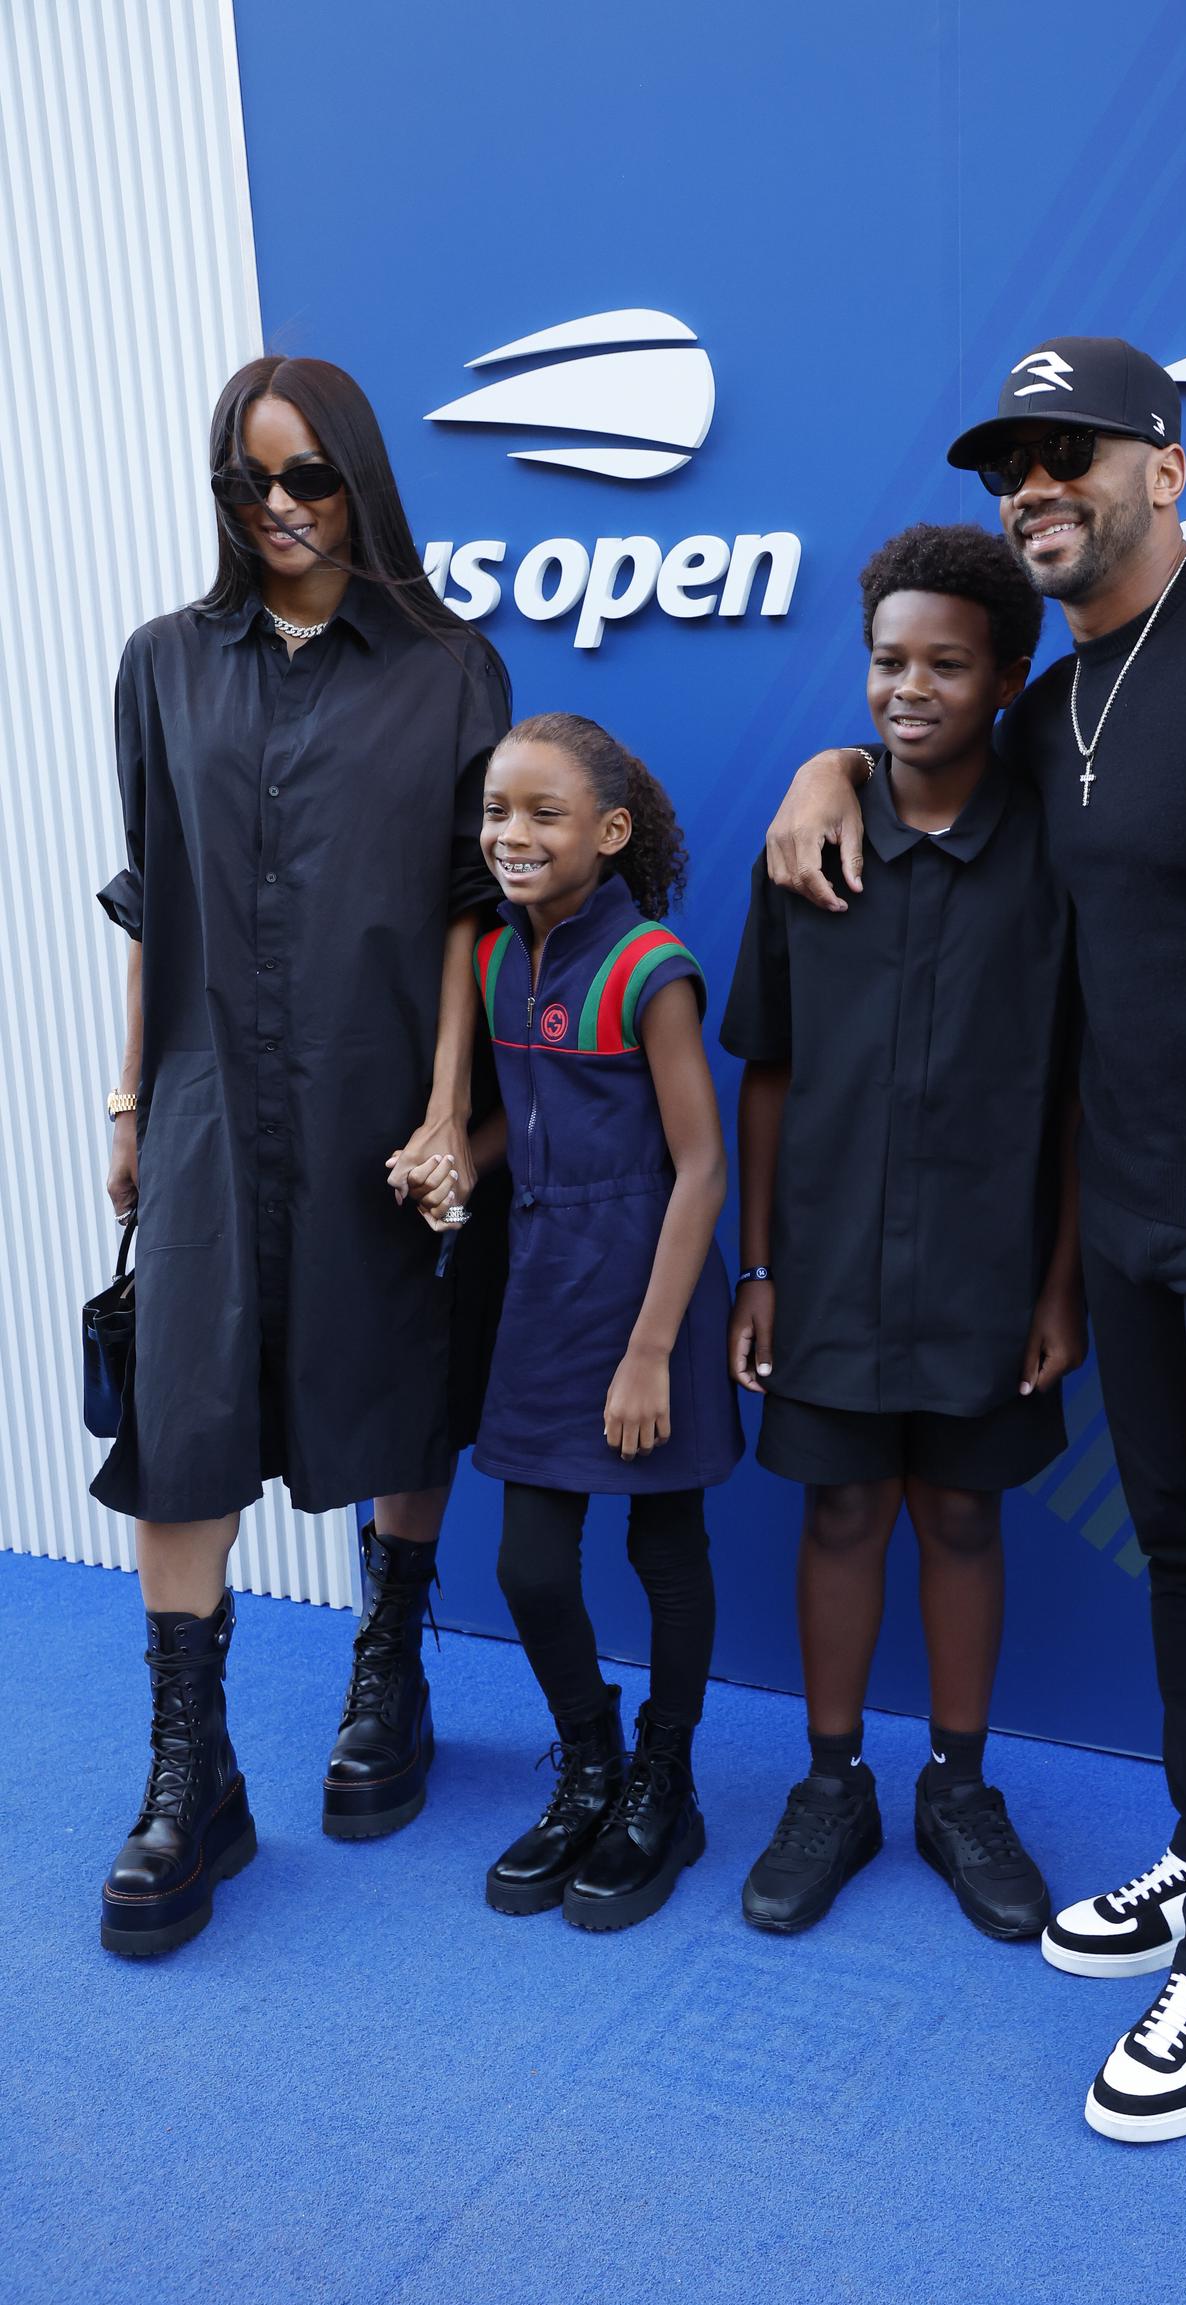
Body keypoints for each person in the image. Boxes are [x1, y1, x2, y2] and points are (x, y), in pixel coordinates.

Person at [762, 339, 1186, 2138]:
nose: (1037, 488)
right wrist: (832, 762)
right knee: (1173, 1550)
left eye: (1072, 453)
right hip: (1137, 1218)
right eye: (1015, 467)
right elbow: (935, 752)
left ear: (1166, 463)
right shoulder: (1064, 694)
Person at [96, 355, 511, 1958]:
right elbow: (149, 896)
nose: (280, 509)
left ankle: (388, 1673)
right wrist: (130, 1108)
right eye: (249, 482)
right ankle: (189, 1775)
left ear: (364, 480)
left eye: (311, 477)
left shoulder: (450, 669)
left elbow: (480, 910)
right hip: (207, 1093)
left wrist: (447, 1113)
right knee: (182, 1405)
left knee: (396, 1363)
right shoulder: (160, 665)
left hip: (377, 1092)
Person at [721, 523, 1083, 1944]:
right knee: (841, 1507)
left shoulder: (1056, 856)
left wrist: (1063, 1281)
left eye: (945, 663)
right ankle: (831, 1786)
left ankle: (958, 1785)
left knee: (960, 1512)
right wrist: (756, 1268)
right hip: (824, 1266)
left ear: (1007, 678)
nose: (909, 688)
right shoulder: (806, 841)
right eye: (886, 662)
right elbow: (772, 1070)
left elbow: (1077, 1093)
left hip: (993, 1268)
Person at [458, 713, 742, 1932]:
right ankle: (589, 1764)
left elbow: (703, 1170)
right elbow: (511, 1125)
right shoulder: (489, 957)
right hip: (541, 1284)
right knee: (529, 1561)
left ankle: (664, 1787)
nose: (512, 835)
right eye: (496, 813)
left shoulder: (649, 969)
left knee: (662, 1548)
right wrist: (454, 1161)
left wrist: (647, 1355)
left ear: (610, 834)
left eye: (544, 814)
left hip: (649, 1292)